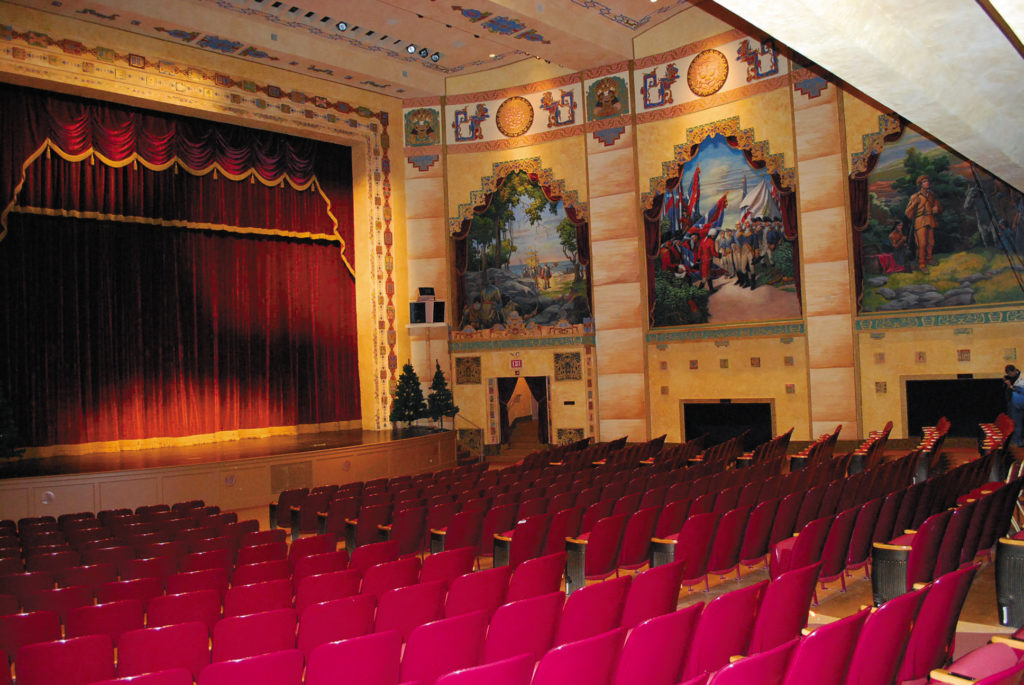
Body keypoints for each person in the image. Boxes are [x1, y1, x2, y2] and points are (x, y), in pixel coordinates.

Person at [904, 174, 942, 273]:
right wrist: (914, 204)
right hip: (920, 220)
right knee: (922, 244)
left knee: (931, 242)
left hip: (930, 219)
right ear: (920, 184)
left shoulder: (932, 195)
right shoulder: (915, 196)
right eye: (924, 181)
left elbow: (937, 205)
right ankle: (922, 264)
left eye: (927, 181)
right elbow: (907, 212)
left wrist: (936, 208)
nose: (927, 183)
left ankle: (929, 259)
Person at [1006, 365, 1024, 447]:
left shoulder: (1022, 377)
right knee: (1014, 423)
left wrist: (1011, 386)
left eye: (1010, 374)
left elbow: (1021, 390)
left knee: (1018, 424)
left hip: (1020, 404)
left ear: (1014, 371)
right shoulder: (1008, 378)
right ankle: (1016, 441)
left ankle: (1018, 441)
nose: (1010, 376)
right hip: (1013, 404)